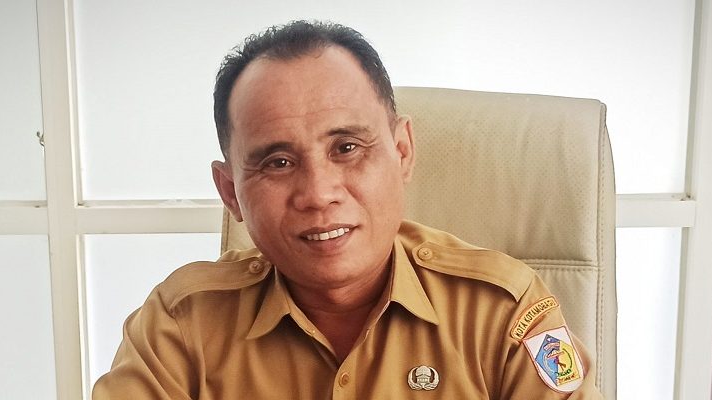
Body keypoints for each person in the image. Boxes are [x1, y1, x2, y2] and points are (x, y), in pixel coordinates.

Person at [92, 20, 603, 399]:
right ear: (230, 193)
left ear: (401, 152)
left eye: (347, 148)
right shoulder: (181, 326)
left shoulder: (502, 312)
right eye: (278, 162)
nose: (318, 193)